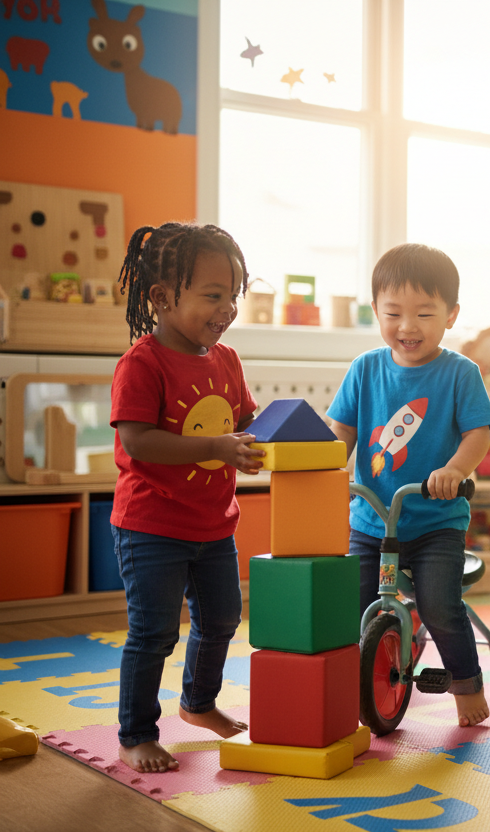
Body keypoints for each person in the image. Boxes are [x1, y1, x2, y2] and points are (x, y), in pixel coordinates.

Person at [110, 222, 265, 773]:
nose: (226, 310)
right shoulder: (143, 363)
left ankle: (198, 704)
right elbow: (139, 441)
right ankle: (136, 734)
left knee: (223, 618)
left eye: (233, 297)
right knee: (152, 632)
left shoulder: (226, 359)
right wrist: (220, 448)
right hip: (151, 524)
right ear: (161, 297)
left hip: (213, 521)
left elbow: (246, 418)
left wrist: (277, 432)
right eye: (213, 296)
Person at [327, 243, 490, 728]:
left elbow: (477, 435)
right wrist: (325, 471)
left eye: (424, 313)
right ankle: (350, 683)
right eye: (393, 313)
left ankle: (465, 683)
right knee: (350, 605)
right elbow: (341, 433)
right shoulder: (365, 369)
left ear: (451, 315)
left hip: (435, 520)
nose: (408, 326)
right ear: (375, 312)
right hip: (370, 519)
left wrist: (455, 471)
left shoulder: (460, 373)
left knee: (440, 605)